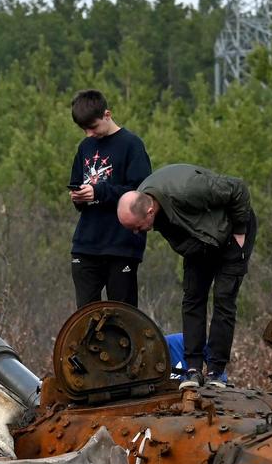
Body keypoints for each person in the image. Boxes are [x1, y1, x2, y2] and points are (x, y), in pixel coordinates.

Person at [117, 164, 256, 389]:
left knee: (223, 298)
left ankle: (215, 371)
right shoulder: (144, 199)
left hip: (232, 233)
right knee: (192, 299)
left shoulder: (188, 188)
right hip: (200, 243)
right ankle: (192, 370)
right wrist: (190, 250)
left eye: (138, 227)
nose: (137, 232)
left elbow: (238, 189)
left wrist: (240, 230)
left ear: (149, 211)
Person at [67, 90, 152, 308]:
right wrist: (78, 196)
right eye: (84, 129)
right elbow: (78, 184)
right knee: (85, 318)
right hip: (86, 245)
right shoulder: (85, 147)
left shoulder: (132, 145)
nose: (89, 134)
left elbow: (140, 193)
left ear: (107, 114)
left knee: (122, 317)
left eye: (93, 127)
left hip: (121, 245)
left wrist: (99, 192)